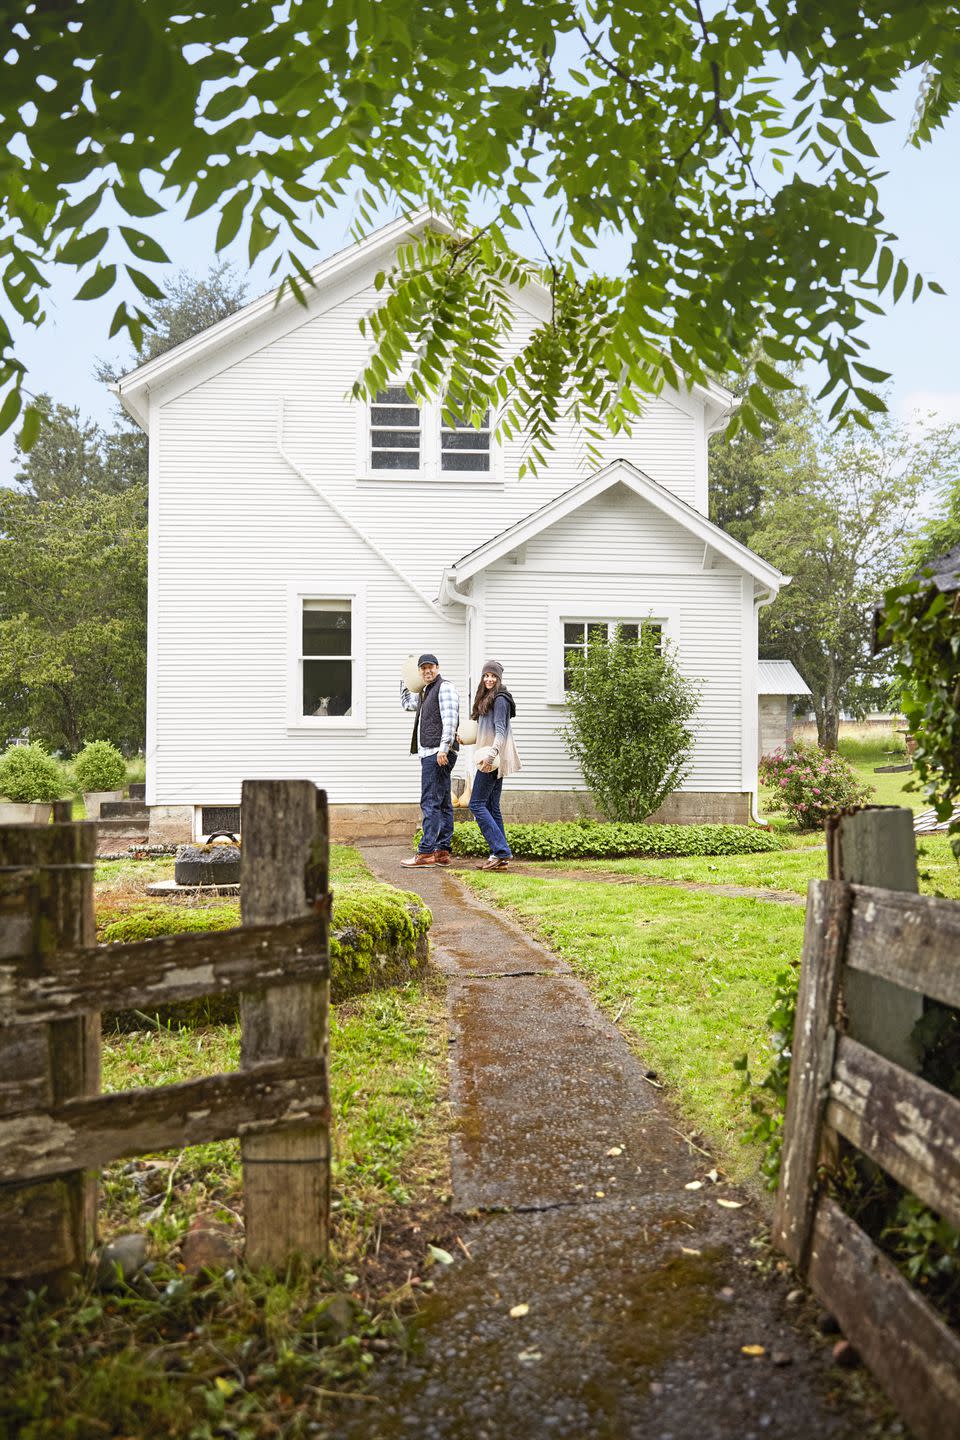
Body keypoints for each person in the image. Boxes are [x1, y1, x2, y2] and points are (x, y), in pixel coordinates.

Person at [400, 653, 460, 868]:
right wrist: (404, 679)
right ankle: (442, 852)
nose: (427, 671)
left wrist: (444, 749)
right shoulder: (426, 692)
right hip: (433, 752)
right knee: (443, 802)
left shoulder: (444, 688)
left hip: (438, 753)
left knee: (430, 802)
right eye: (423, 668)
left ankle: (425, 853)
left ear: (437, 667)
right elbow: (407, 704)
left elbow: (451, 719)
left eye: (430, 667)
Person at [468, 659, 520, 871]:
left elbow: (500, 731)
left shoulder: (500, 699)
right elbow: (484, 729)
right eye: (486, 675)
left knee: (476, 804)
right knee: (491, 806)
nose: (489, 679)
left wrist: (491, 756)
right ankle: (500, 856)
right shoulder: (488, 697)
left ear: (499, 678)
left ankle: (500, 850)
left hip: (491, 759)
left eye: (493, 676)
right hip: (490, 755)